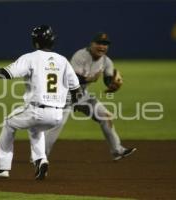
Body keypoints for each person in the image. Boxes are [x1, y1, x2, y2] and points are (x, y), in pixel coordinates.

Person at [0, 25, 81, 180]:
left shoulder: (30, 57)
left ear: (35, 42)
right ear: (52, 40)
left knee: (9, 123)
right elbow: (76, 89)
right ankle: (41, 160)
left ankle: (2, 168)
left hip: (37, 110)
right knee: (35, 129)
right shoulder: (63, 60)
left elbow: (7, 74)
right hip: (57, 115)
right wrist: (75, 103)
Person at [43, 32, 136, 161]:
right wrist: (90, 78)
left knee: (105, 116)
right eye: (99, 43)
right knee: (57, 124)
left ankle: (117, 150)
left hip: (82, 95)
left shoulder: (107, 61)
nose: (102, 47)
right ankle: (40, 155)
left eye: (105, 44)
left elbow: (108, 79)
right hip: (65, 94)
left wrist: (113, 86)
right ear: (91, 44)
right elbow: (73, 79)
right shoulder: (80, 55)